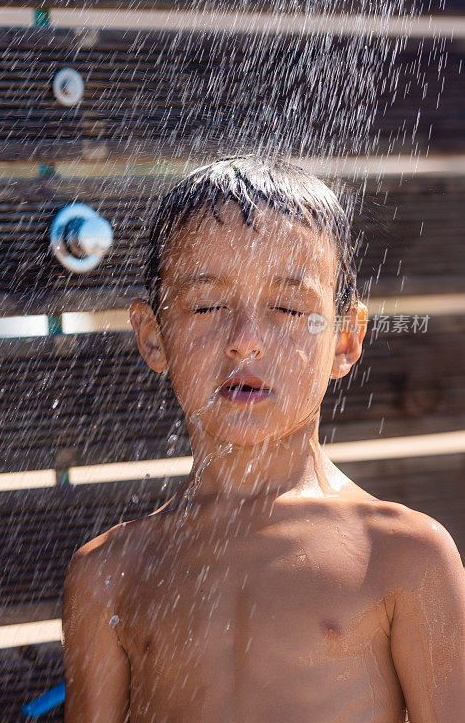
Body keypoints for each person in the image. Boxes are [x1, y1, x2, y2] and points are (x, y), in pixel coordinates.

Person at [62, 156, 464, 723]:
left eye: (288, 307)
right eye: (206, 305)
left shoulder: (402, 556)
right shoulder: (111, 573)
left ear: (346, 339)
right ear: (153, 337)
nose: (245, 341)